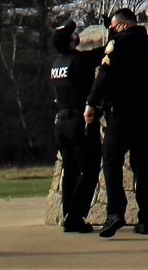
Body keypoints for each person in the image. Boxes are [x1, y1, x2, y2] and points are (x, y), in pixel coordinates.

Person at [84, 7, 148, 238]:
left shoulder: (117, 44)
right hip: (146, 116)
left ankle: (115, 212)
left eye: (112, 26)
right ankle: (146, 218)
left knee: (111, 161)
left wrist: (91, 103)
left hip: (120, 114)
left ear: (122, 25)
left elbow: (105, 75)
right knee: (142, 166)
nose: (111, 30)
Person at [51, 20, 102, 233]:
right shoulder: (80, 61)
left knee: (70, 170)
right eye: (73, 34)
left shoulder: (57, 65)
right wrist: (111, 33)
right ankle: (75, 216)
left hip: (60, 123)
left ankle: (68, 215)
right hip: (78, 122)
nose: (76, 35)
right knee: (89, 169)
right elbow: (105, 52)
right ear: (71, 41)